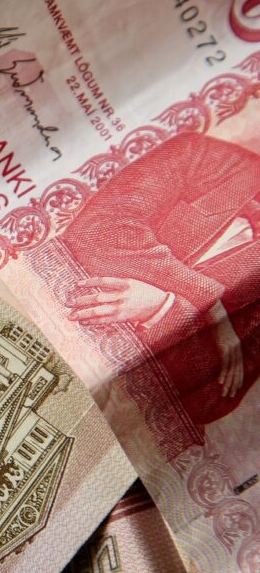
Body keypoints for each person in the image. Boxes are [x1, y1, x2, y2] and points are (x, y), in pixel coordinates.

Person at [60, 132, 260, 458]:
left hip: (110, 422)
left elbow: (212, 397)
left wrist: (166, 306)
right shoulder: (200, 152)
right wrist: (210, 302)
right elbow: (98, 228)